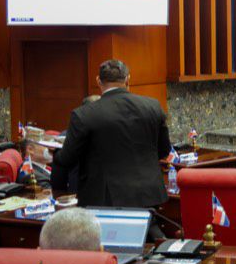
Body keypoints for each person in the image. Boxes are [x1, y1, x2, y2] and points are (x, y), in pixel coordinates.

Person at [51, 59, 172, 209]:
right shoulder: (153, 106)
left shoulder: (84, 114)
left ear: (98, 81)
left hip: (105, 199)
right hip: (149, 194)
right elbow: (164, 150)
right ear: (128, 79)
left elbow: (68, 159)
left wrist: (53, 153)